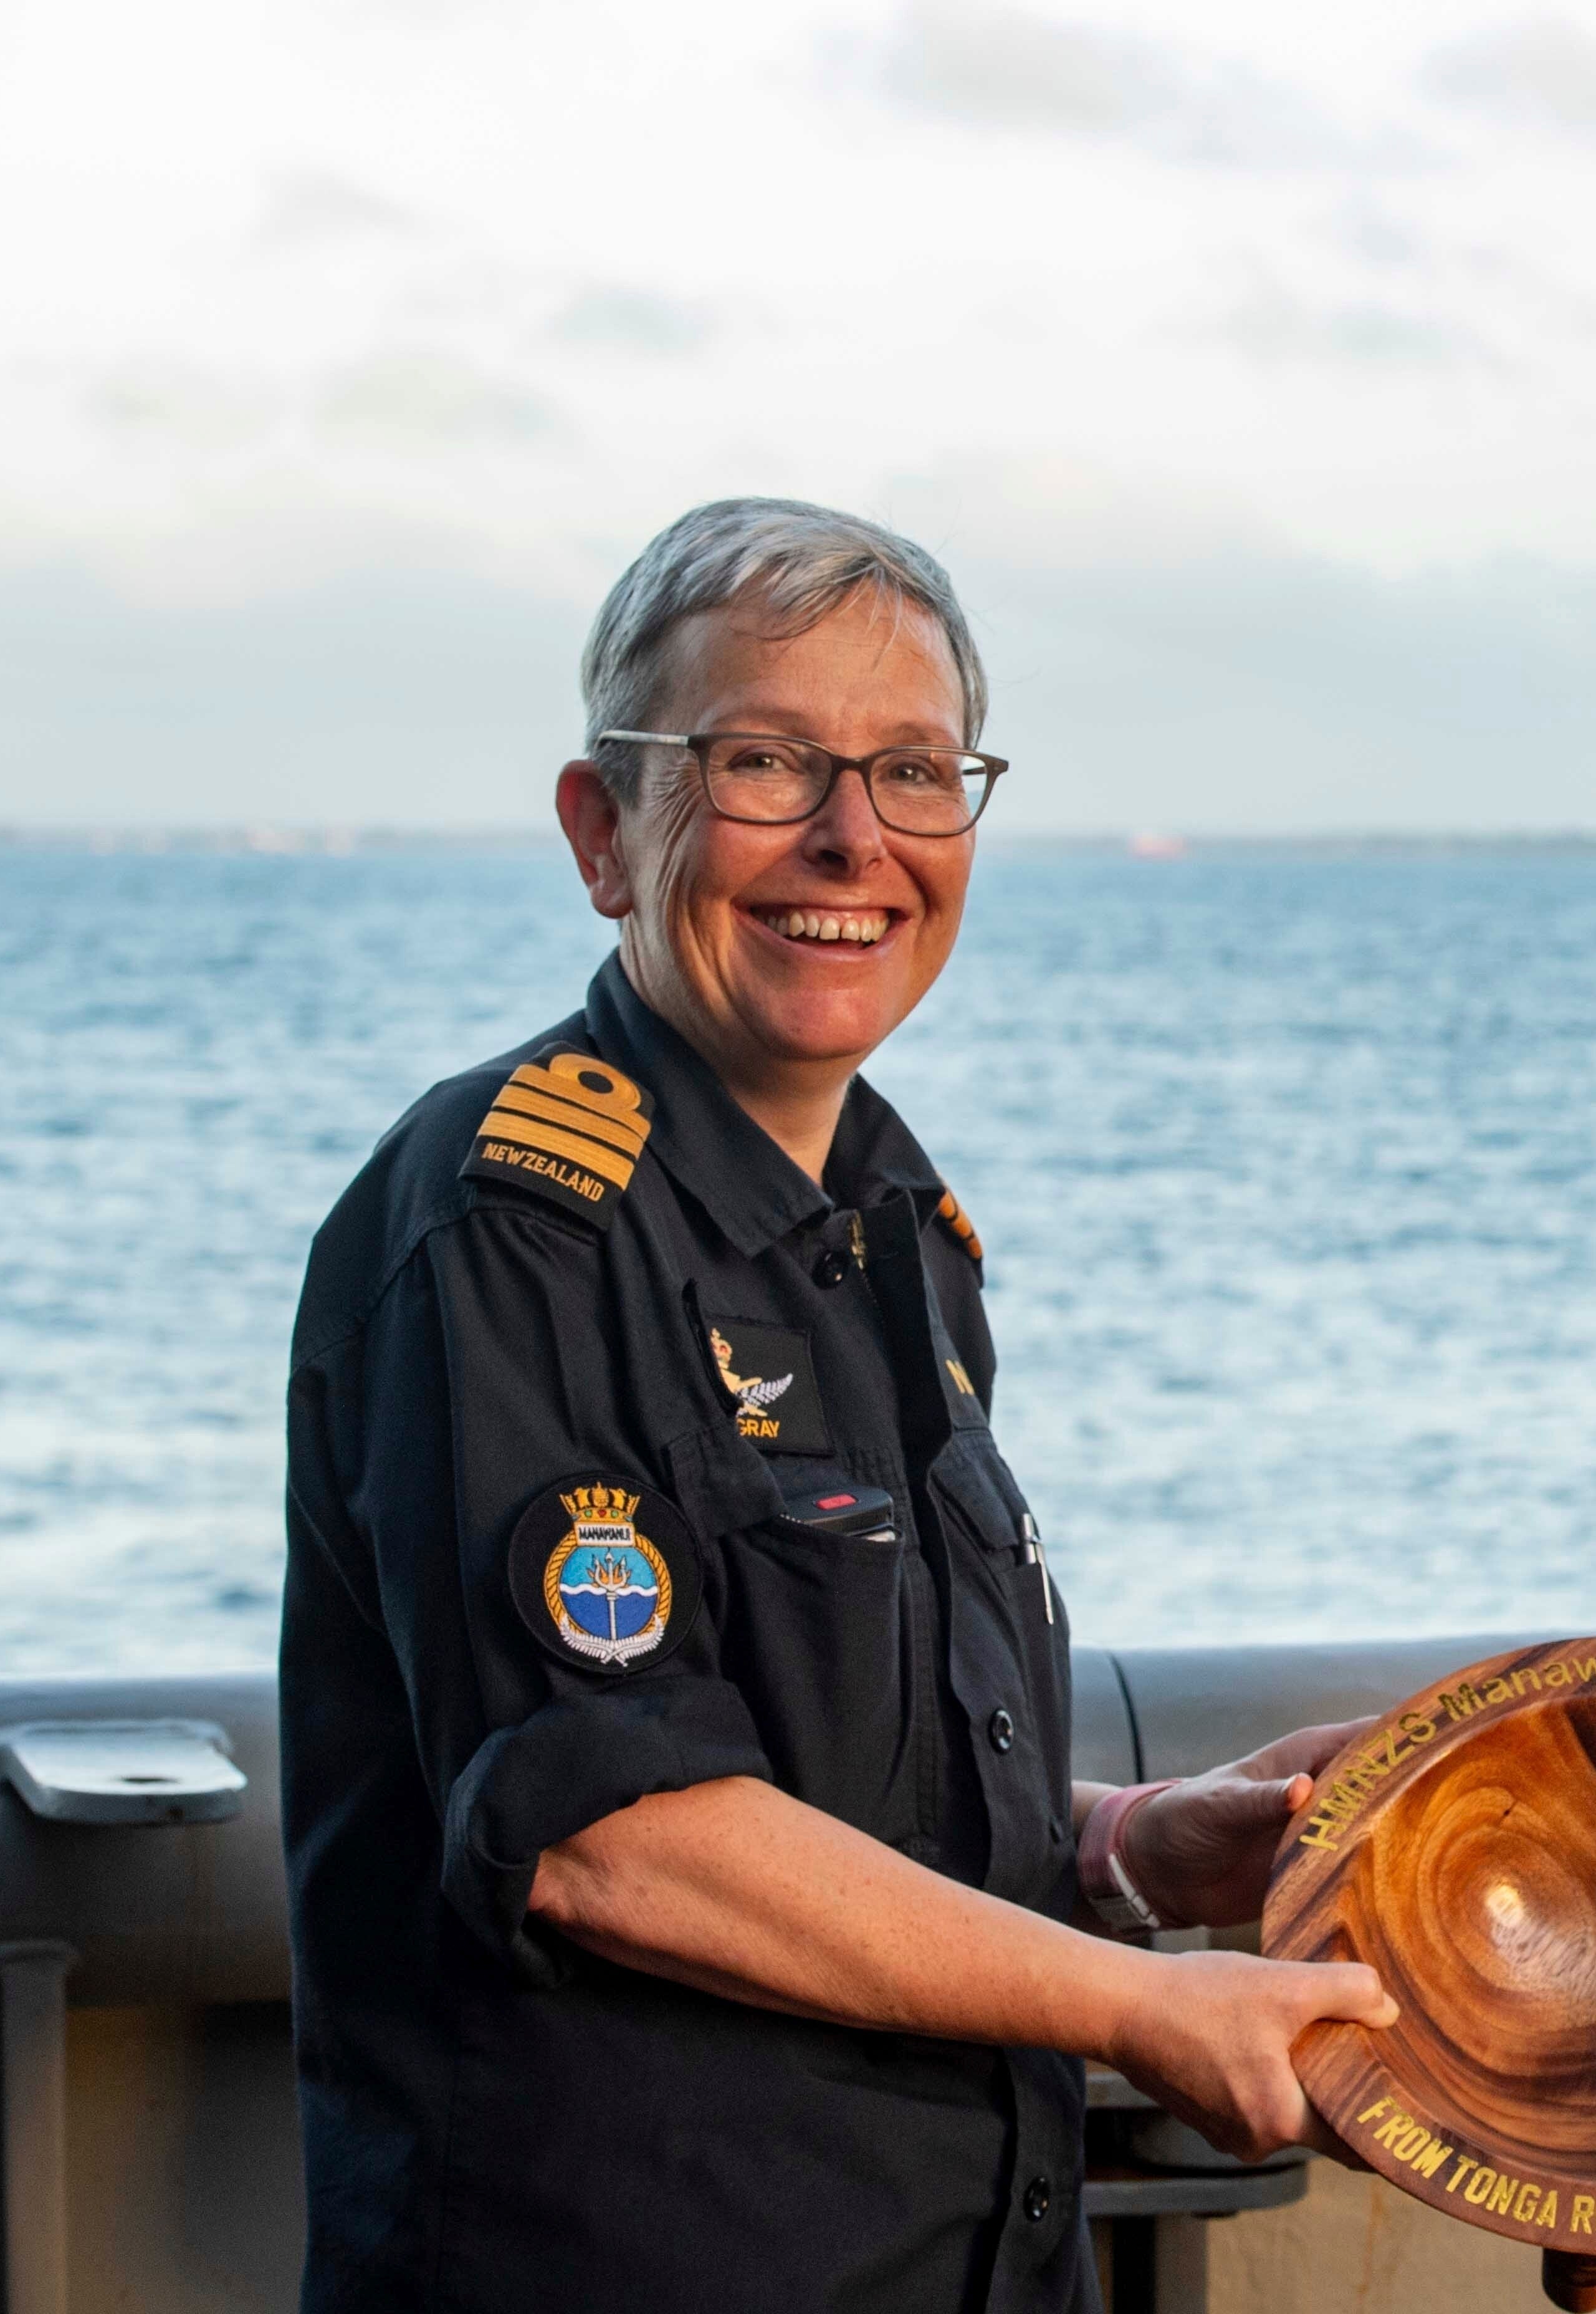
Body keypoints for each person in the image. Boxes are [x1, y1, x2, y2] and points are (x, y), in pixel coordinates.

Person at [279, 498, 1395, 2314]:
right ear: (602, 831)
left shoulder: (895, 1233)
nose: (853, 838)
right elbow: (615, 1835)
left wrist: (1123, 1854)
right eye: (766, 761)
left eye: (912, 769)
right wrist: (1145, 2009)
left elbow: (834, 1772)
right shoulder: (509, 1226)